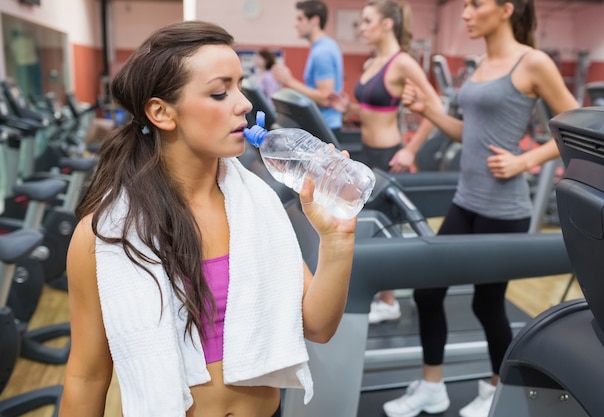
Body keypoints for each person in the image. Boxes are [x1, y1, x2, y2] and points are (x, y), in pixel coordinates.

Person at [58, 20, 357, 417]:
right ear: (162, 113)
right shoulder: (106, 237)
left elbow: (317, 327)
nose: (244, 104)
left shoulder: (259, 207)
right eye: (220, 92)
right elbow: (86, 377)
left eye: (239, 86)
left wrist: (337, 242)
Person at [383, 1, 580, 416]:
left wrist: (524, 161)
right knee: (428, 291)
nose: (465, 13)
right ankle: (432, 386)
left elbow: (577, 124)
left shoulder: (533, 62)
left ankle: (497, 389)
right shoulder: (481, 63)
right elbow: (467, 133)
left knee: (487, 304)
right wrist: (430, 113)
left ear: (506, 8)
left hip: (504, 209)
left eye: (475, 4)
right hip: (466, 200)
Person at [328, 0, 443, 324]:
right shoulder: (371, 63)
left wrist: (411, 149)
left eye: (366, 21)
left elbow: (435, 108)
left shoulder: (402, 62)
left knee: (385, 229)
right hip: (367, 153)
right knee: (371, 227)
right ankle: (382, 295)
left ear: (387, 24)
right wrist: (346, 107)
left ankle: (390, 301)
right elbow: (368, 112)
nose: (361, 27)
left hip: (391, 155)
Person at [272, 0, 344, 136]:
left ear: (315, 20)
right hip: (326, 124)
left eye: (300, 19)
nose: (296, 24)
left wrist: (289, 81)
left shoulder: (322, 51)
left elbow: (325, 98)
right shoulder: (325, 46)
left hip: (325, 126)